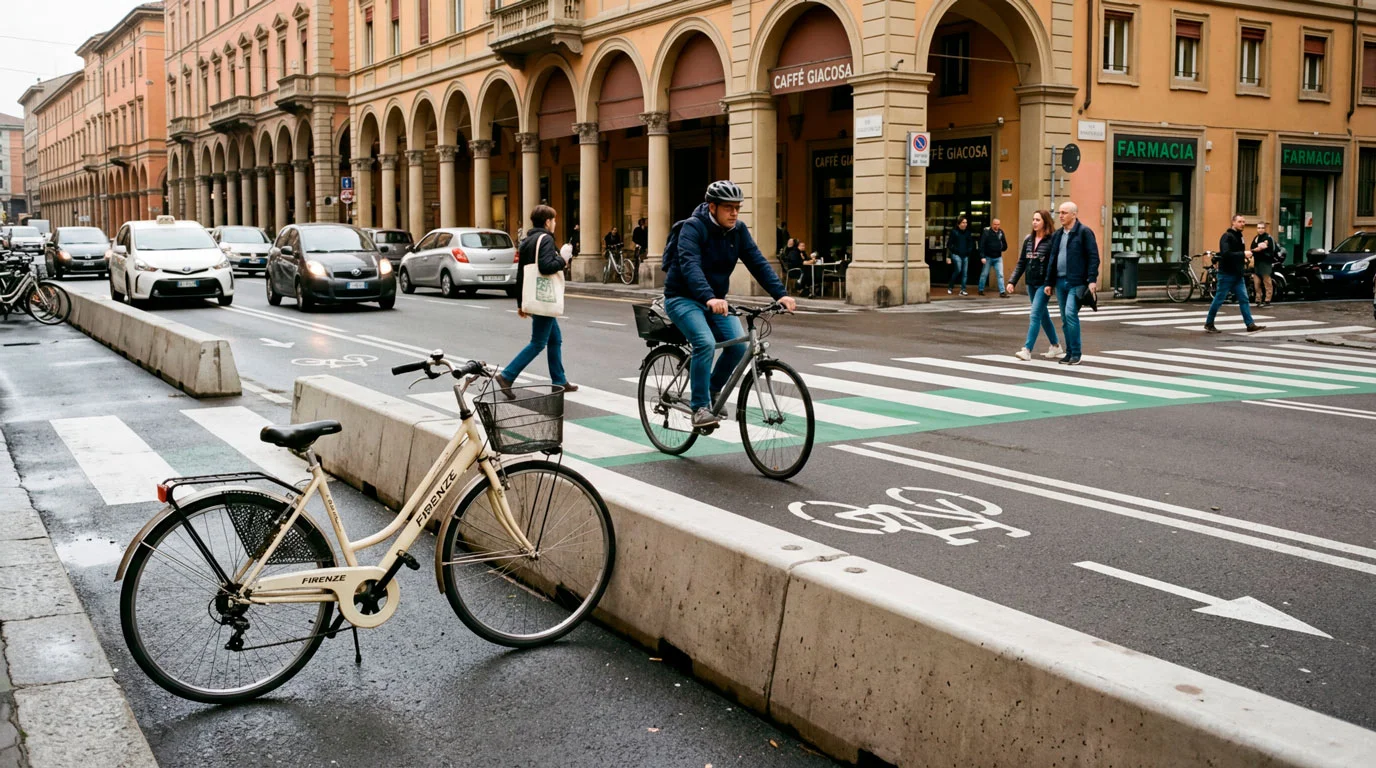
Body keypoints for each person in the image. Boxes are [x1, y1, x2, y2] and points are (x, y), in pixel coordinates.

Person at [663, 181, 798, 428]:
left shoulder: (738, 230)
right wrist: (709, 297)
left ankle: (714, 391)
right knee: (705, 343)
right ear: (712, 207)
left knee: (738, 346)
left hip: (715, 300)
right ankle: (700, 408)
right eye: (728, 208)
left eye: (737, 207)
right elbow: (690, 264)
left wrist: (780, 294)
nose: (734, 213)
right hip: (682, 297)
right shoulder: (693, 228)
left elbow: (757, 262)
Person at [496, 205, 578, 397]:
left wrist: (520, 303)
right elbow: (546, 266)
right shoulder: (546, 239)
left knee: (555, 339)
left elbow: (521, 273)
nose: (555, 223)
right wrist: (564, 260)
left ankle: (559, 380)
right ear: (548, 221)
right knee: (538, 343)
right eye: (554, 220)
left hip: (534, 296)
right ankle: (507, 375)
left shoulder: (527, 241)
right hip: (545, 298)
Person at [1044, 202, 1099, 365]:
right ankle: (1069, 352)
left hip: (1077, 282)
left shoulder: (1084, 232)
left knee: (1070, 314)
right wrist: (1049, 282)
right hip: (1060, 281)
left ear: (1074, 214)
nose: (1060, 215)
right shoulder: (1058, 234)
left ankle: (1076, 352)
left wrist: (1092, 280)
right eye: (1059, 212)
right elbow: (1052, 259)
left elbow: (1093, 257)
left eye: (1064, 213)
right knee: (1064, 318)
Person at [1006, 210, 1063, 361]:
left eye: (1038, 219)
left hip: (1044, 284)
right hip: (1031, 283)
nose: (1034, 222)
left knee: (1035, 314)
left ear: (1045, 221)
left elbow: (1053, 264)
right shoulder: (1029, 240)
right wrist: (1012, 281)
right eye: (1033, 219)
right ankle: (1056, 346)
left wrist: (1050, 283)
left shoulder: (1052, 240)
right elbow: (1022, 262)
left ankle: (1027, 349)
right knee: (1043, 316)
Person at [1205, 215, 1267, 334]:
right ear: (1233, 223)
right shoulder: (1227, 236)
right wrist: (1243, 254)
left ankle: (1250, 324)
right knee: (1219, 299)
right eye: (1239, 222)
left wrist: (1252, 252)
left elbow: (1236, 253)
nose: (1242, 224)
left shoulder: (1240, 237)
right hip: (1227, 274)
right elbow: (1226, 253)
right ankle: (1209, 323)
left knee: (1244, 299)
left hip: (1238, 274)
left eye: (1244, 222)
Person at [946, 216, 976, 296]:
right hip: (956, 254)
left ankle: (963, 289)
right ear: (959, 224)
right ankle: (950, 287)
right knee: (958, 270)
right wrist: (948, 256)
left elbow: (971, 243)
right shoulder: (954, 232)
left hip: (965, 255)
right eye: (963, 222)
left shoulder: (967, 233)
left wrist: (968, 251)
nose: (965, 224)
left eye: (966, 222)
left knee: (965, 273)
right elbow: (949, 244)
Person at [1250, 221, 1279, 307]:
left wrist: (1255, 250)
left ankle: (1267, 299)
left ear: (1265, 229)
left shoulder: (1268, 238)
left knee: (1267, 282)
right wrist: (1254, 250)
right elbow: (1252, 247)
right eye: (1258, 228)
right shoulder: (1256, 238)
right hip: (1257, 262)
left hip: (1266, 262)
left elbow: (1260, 248)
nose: (1260, 230)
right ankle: (1258, 299)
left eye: (1262, 228)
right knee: (1256, 282)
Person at [978, 218, 1009, 297]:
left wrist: (1001, 248)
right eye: (995, 224)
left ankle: (1002, 292)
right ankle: (980, 289)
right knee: (984, 274)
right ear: (992, 224)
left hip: (998, 257)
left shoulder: (1001, 233)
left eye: (998, 224)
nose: (996, 226)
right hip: (988, 257)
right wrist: (982, 256)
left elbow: (1005, 244)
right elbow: (982, 245)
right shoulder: (987, 232)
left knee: (1000, 274)